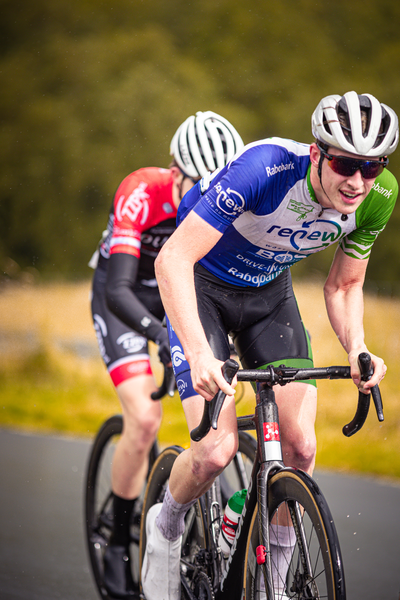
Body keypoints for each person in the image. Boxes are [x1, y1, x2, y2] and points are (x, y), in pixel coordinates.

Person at [142, 91, 399, 600]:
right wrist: (198, 352)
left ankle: (273, 587)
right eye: (346, 163)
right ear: (317, 152)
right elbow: (171, 261)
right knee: (216, 451)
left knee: (300, 446)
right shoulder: (262, 169)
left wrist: (357, 347)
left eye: (371, 167)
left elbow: (344, 286)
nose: (357, 181)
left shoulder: (378, 196)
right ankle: (166, 522)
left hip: (267, 295)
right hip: (203, 286)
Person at [89, 111, 244, 599]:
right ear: (176, 173)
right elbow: (117, 289)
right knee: (145, 417)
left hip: (185, 293)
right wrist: (160, 332)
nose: (206, 197)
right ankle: (117, 538)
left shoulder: (227, 196)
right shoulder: (142, 191)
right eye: (196, 185)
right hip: (128, 295)